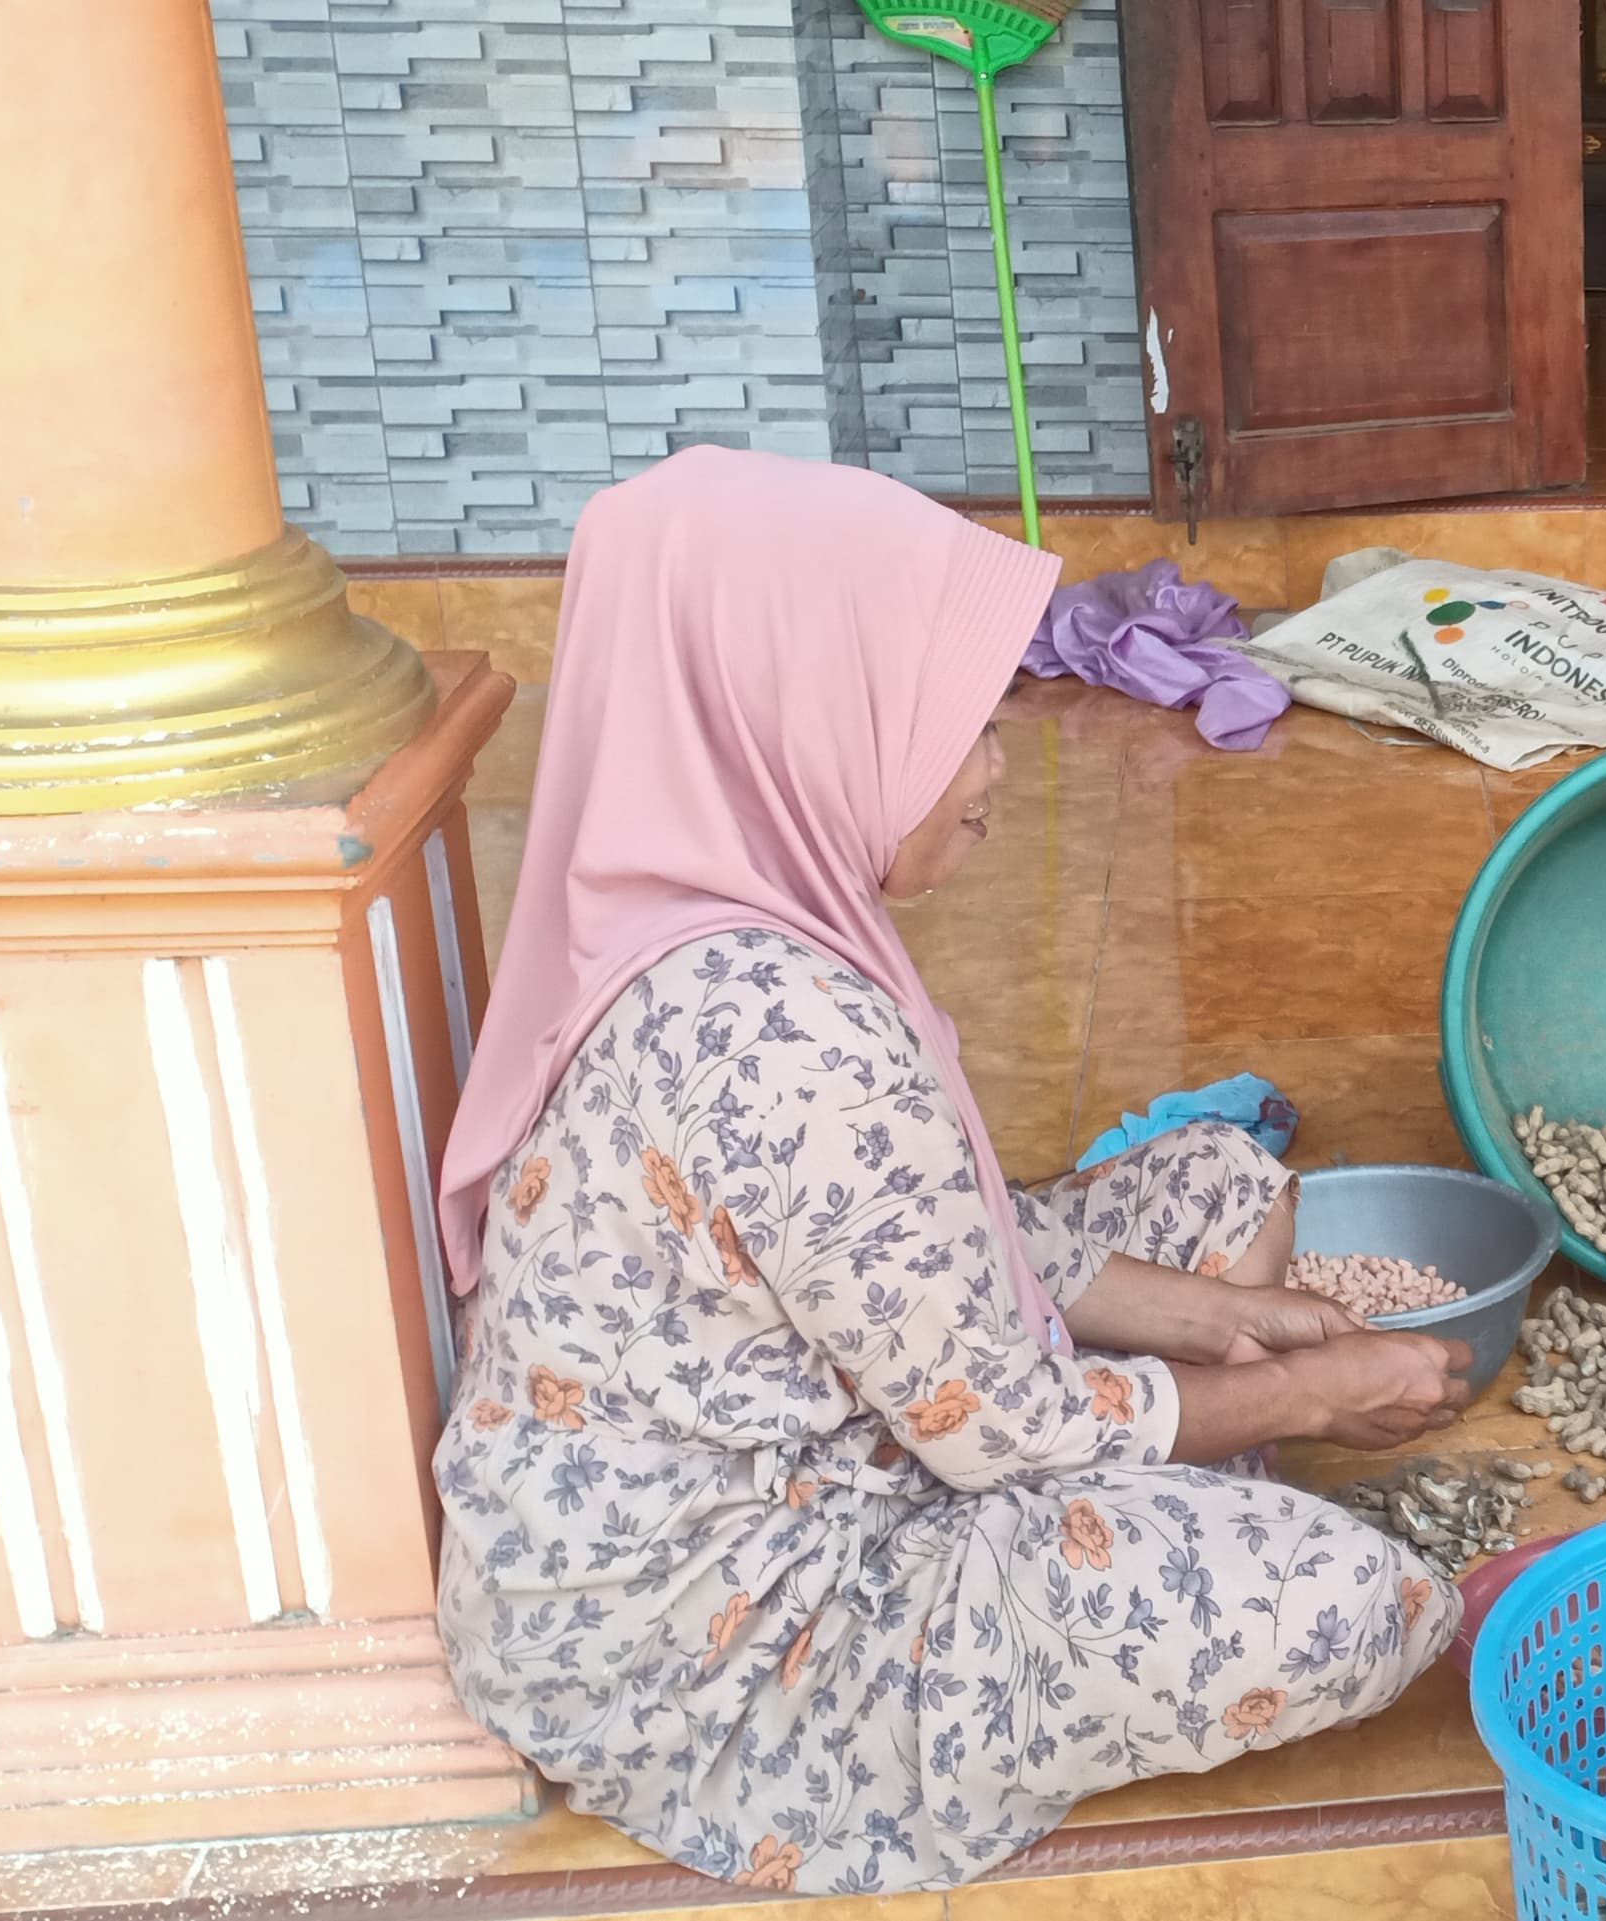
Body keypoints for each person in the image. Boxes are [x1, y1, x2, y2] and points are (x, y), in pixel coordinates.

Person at [430, 447, 1472, 1895]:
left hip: (839, 1425)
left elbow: (921, 1248)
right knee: (1352, 1601)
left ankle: (1179, 1458)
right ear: (811, 723)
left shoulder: (714, 900)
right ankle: (1183, 1497)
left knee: (1224, 1182)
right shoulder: (790, 1042)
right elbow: (1002, 1426)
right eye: (954, 728)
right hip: (725, 1653)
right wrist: (1311, 1388)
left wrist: (1215, 1320)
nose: (993, 771)